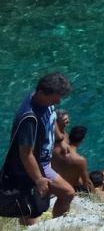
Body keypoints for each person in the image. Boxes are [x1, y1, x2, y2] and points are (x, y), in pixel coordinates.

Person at [7, 72, 75, 223]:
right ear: (43, 93)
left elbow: (52, 118)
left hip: (44, 161)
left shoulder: (44, 102)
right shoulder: (29, 119)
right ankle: (53, 229)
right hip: (38, 165)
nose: (58, 100)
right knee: (67, 193)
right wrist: (38, 179)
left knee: (30, 208)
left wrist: (60, 139)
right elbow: (25, 154)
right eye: (56, 96)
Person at [52, 124, 93, 193]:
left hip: (55, 184)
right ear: (82, 140)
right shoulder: (80, 160)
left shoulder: (55, 151)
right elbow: (87, 183)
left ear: (69, 136)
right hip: (71, 188)